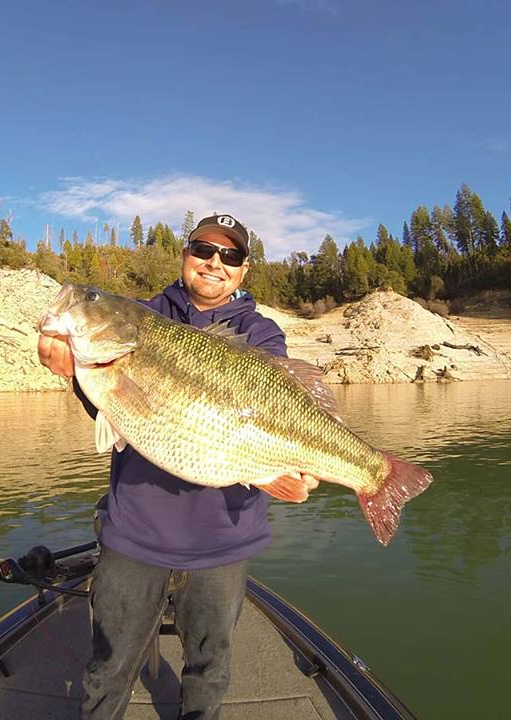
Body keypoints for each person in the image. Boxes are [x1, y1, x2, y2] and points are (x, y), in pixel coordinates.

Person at [38, 213, 312, 720]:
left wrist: (297, 465)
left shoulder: (261, 333)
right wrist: (75, 374)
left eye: (229, 256)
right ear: (185, 256)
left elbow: (275, 405)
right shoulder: (142, 316)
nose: (214, 263)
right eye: (203, 250)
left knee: (210, 667)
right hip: (135, 534)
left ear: (244, 269)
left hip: (224, 541)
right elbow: (113, 406)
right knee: (109, 666)